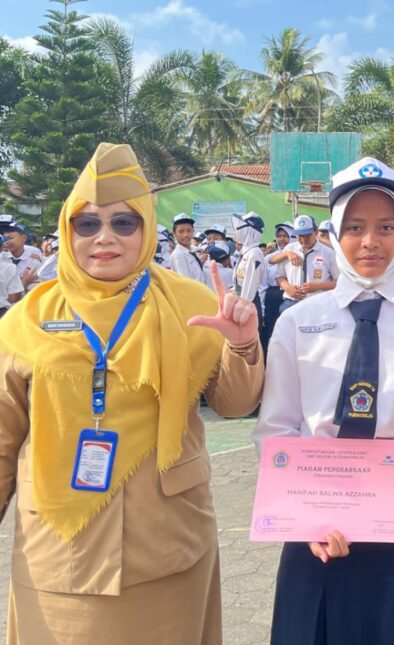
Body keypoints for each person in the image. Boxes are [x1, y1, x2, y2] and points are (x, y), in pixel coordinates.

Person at [0, 142, 264, 645]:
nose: (105, 237)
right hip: (57, 547)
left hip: (167, 542)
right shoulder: (26, 319)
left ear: (146, 227)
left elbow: (235, 404)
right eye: (87, 224)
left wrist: (242, 344)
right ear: (67, 231)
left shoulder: (190, 302)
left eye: (124, 223)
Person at [254, 157, 394, 645]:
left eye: (385, 227)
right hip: (318, 491)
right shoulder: (299, 321)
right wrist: (302, 516)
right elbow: (276, 428)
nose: (370, 242)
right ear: (335, 233)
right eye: (355, 227)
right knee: (315, 621)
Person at [275, 214, 339, 313]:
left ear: (316, 232)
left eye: (307, 235)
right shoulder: (289, 249)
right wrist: (288, 288)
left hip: (318, 305)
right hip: (291, 304)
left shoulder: (328, 253)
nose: (303, 239)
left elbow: (339, 282)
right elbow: (279, 276)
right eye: (300, 236)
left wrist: (318, 286)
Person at [260, 222, 292, 351]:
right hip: (273, 298)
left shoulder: (300, 256)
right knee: (272, 333)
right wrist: (262, 311)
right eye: (279, 236)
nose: (282, 239)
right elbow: (262, 285)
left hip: (291, 295)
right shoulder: (269, 258)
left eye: (285, 236)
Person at [231, 212, 266, 330]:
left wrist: (242, 309)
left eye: (239, 228)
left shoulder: (254, 254)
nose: (236, 231)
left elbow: (250, 285)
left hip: (248, 303)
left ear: (248, 231)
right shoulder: (245, 252)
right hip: (241, 300)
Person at [1, 223, 43, 292]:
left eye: (10, 238)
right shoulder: (2, 257)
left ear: (23, 238)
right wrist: (24, 282)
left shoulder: (34, 258)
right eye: (4, 238)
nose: (6, 242)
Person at [169, 213, 206, 285]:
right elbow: (186, 284)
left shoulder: (191, 251)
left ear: (193, 232)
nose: (185, 235)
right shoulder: (178, 255)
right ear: (174, 234)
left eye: (188, 231)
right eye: (181, 231)